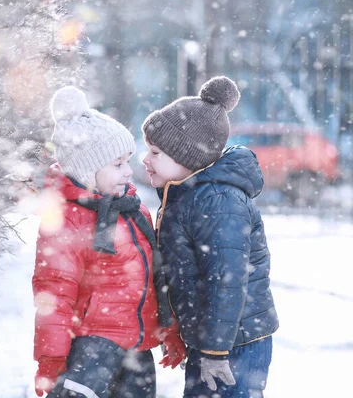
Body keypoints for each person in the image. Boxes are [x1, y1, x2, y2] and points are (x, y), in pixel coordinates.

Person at [32, 86, 186, 398]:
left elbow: (157, 276)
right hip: (92, 349)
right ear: (88, 172)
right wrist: (51, 358)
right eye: (117, 164)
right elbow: (54, 292)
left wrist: (169, 329)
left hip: (138, 349)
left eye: (128, 161)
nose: (129, 172)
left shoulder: (132, 208)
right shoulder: (67, 221)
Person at [140, 76, 279, 398]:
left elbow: (227, 282)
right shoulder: (185, 195)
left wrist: (216, 351)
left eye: (155, 152)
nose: (145, 159)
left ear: (187, 156)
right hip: (214, 339)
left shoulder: (217, 201)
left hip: (235, 343)